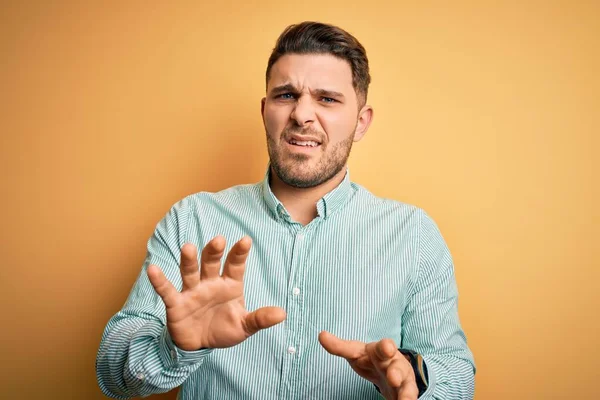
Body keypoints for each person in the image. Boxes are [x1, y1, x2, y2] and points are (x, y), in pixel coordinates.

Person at [96, 21, 475, 400]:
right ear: (265, 111)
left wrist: (413, 379)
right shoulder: (191, 220)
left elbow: (457, 377)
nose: (302, 115)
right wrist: (175, 347)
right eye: (286, 95)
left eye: (327, 99)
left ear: (361, 122)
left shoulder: (413, 235)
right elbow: (111, 375)